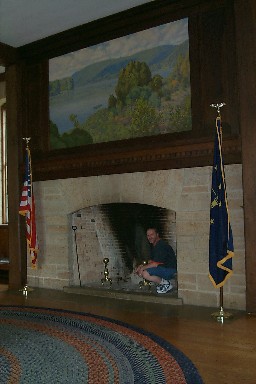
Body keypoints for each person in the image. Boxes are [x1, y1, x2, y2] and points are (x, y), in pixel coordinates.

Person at [135, 227, 177, 294]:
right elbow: (151, 262)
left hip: (170, 270)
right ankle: (164, 283)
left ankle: (166, 284)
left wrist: (142, 268)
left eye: (152, 234)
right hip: (164, 268)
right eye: (148, 235)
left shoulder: (161, 245)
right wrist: (141, 266)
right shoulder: (155, 245)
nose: (149, 237)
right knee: (144, 270)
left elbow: (154, 264)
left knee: (145, 273)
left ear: (157, 234)